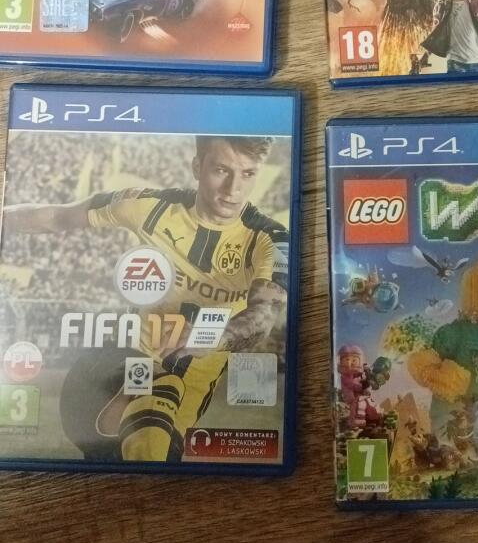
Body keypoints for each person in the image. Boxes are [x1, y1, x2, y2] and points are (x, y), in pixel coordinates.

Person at [2, 135, 288, 463]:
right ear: (197, 167)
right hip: (115, 371)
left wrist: (211, 336)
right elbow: (56, 217)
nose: (233, 188)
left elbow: (265, 313)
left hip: (185, 401)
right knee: (158, 396)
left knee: (137, 466)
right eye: (221, 170)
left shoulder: (269, 239)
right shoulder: (151, 207)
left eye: (248, 174)